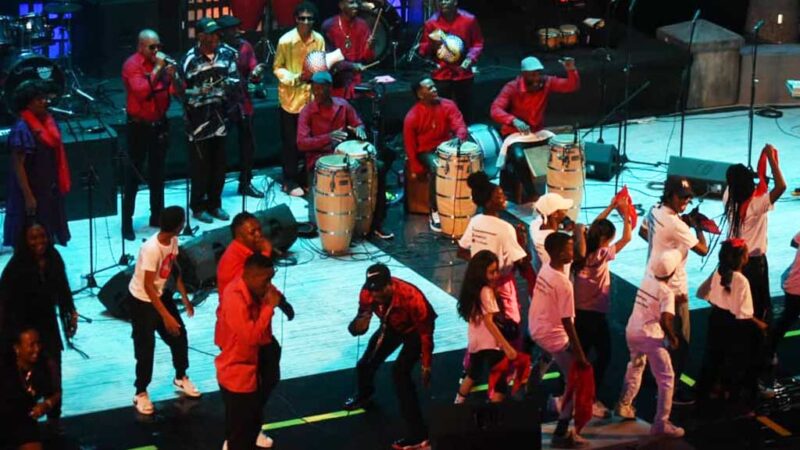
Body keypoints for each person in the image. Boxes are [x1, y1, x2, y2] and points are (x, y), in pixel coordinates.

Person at [343, 264, 436, 450]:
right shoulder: (367, 293)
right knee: (366, 363)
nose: (375, 294)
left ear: (389, 285)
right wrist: (359, 324)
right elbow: (362, 317)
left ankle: (419, 436)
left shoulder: (411, 297)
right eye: (372, 289)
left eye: (379, 289)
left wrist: (426, 364)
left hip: (415, 332)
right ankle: (364, 394)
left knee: (399, 375)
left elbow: (426, 334)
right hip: (391, 326)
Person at [0, 222, 77, 431]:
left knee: (54, 370)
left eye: (42, 236)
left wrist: (70, 312)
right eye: (33, 238)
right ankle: (20, 419)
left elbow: (63, 288)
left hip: (47, 323)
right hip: (22, 326)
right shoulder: (16, 266)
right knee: (22, 374)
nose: (39, 241)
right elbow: (4, 301)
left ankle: (54, 417)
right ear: (25, 240)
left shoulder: (54, 258)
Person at [639, 177, 708, 405]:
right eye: (682, 197)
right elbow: (702, 249)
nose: (686, 201)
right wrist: (697, 227)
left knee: (658, 337)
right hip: (675, 292)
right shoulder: (676, 224)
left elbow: (643, 232)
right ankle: (671, 388)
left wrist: (667, 243)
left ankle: (653, 378)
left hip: (652, 285)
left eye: (689, 197)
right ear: (670, 195)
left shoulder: (654, 210)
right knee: (680, 341)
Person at [128, 206, 200, 415]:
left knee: (179, 335)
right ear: (178, 225)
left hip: (160, 295)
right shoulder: (150, 249)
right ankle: (140, 392)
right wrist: (166, 316)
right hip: (142, 300)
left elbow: (173, 269)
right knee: (146, 347)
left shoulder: (173, 241)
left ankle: (180, 377)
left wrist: (185, 299)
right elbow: (148, 286)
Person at [458, 172, 536, 361]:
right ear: (489, 202)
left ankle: (470, 367)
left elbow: (461, 250)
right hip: (501, 283)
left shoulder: (475, 221)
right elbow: (523, 261)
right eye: (500, 196)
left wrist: (480, 269)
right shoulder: (505, 228)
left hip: (478, 283)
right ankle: (511, 365)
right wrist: (524, 242)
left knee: (479, 322)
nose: (505, 199)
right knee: (512, 323)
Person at [571, 196, 631, 417]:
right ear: (605, 239)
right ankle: (589, 398)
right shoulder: (603, 254)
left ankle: (571, 396)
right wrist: (625, 214)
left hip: (577, 312)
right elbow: (627, 237)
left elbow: (595, 226)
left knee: (580, 356)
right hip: (595, 314)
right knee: (604, 355)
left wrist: (610, 207)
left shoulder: (581, 250)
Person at [528, 232, 589, 448]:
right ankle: (561, 433)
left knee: (547, 356)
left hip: (536, 328)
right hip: (552, 335)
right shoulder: (564, 284)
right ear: (557, 252)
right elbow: (567, 323)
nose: (573, 253)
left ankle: (527, 392)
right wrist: (580, 355)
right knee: (575, 381)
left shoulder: (546, 267)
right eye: (569, 249)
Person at [216, 254, 282, 450]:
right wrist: (269, 307)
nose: (269, 285)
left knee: (251, 420)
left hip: (252, 366)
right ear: (251, 276)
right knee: (241, 431)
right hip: (238, 373)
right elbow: (250, 337)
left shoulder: (255, 287)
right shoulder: (234, 297)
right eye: (266, 280)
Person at [615, 250, 685, 438]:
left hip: (633, 331)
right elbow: (665, 319)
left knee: (636, 366)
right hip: (650, 337)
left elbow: (654, 302)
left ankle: (624, 404)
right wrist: (672, 337)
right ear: (672, 272)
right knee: (667, 379)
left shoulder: (648, 280)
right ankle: (661, 424)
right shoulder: (667, 292)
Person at [490, 56, 580, 199]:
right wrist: (513, 120)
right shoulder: (511, 87)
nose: (537, 78)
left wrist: (571, 70)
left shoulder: (547, 82)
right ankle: (532, 193)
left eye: (539, 73)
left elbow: (570, 86)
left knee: (560, 149)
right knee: (519, 157)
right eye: (533, 74)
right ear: (523, 74)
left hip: (537, 132)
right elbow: (495, 110)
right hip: (516, 134)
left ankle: (558, 187)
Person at [179, 17, 239, 224]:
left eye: (216, 34)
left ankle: (215, 204)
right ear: (200, 36)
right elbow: (180, 92)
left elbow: (234, 79)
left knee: (219, 165)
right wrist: (198, 91)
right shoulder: (189, 60)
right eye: (210, 34)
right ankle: (197, 206)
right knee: (200, 168)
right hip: (198, 122)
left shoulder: (227, 54)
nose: (215, 37)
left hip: (220, 118)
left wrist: (228, 86)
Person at [695, 239, 767, 412]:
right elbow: (743, 312)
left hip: (716, 318)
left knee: (713, 356)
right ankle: (731, 395)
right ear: (742, 258)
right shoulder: (741, 280)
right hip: (733, 324)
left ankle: (708, 390)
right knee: (735, 359)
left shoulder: (719, 272)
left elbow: (706, 295)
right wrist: (760, 324)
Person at [121, 29, 177, 240]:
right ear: (140, 47)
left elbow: (175, 93)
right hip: (138, 126)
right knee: (133, 175)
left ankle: (157, 216)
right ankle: (127, 223)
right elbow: (142, 91)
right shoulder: (132, 65)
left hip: (159, 124)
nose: (156, 51)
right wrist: (158, 68)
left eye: (158, 46)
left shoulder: (161, 65)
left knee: (158, 174)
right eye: (152, 47)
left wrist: (173, 78)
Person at [3, 80, 70, 248]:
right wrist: (28, 196)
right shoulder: (22, 129)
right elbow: (18, 167)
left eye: (45, 98)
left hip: (48, 190)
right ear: (27, 103)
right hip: (32, 191)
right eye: (39, 99)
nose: (44, 102)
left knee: (48, 239)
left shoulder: (48, 122)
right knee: (29, 241)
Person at [723, 145, 786, 326]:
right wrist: (770, 158)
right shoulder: (756, 205)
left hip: (733, 259)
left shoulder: (729, 196)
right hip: (753, 263)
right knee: (758, 307)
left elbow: (754, 185)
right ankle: (759, 344)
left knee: (737, 303)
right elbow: (781, 186)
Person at [273, 1, 326, 197]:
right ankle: (289, 180)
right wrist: (297, 77)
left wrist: (318, 74)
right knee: (291, 142)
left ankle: (306, 178)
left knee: (309, 141)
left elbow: (319, 64)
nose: (306, 22)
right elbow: (277, 67)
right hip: (290, 98)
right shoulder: (286, 41)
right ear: (296, 19)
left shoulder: (318, 39)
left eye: (309, 19)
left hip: (311, 98)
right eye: (302, 18)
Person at [403, 77, 468, 232]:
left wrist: (460, 137)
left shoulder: (448, 105)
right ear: (420, 94)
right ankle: (435, 211)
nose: (434, 89)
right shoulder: (412, 116)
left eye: (434, 86)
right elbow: (410, 146)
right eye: (429, 88)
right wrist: (416, 167)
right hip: (426, 152)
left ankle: (461, 202)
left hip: (446, 147)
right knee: (438, 168)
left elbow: (459, 125)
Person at [454, 250, 518, 403]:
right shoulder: (486, 292)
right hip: (491, 344)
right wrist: (507, 347)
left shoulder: (472, 290)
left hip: (476, 342)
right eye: (492, 272)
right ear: (481, 273)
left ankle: (458, 403)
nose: (496, 275)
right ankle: (493, 418)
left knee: (472, 374)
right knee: (500, 384)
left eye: (496, 270)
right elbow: (490, 322)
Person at [217, 15, 266, 199]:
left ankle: (245, 182)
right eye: (233, 30)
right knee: (218, 148)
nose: (238, 32)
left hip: (242, 103)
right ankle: (214, 188)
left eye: (238, 28)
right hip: (222, 105)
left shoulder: (245, 46)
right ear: (222, 33)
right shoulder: (218, 50)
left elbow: (253, 72)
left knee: (247, 145)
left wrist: (256, 73)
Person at [418, 0, 483, 122]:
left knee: (465, 110)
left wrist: (470, 59)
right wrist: (430, 45)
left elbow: (477, 44)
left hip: (463, 73)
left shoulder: (469, 20)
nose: (442, 3)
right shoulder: (431, 23)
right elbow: (423, 48)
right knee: (441, 110)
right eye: (440, 0)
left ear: (455, 2)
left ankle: (465, 136)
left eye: (446, 0)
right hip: (441, 74)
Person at [0, 328, 61, 450]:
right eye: (31, 345)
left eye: (38, 343)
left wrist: (46, 405)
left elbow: (56, 393)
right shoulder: (5, 368)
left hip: (24, 420)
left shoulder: (44, 366)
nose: (37, 349)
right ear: (17, 348)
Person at [322, 0, 375, 99]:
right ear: (341, 5)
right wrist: (350, 66)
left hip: (357, 79)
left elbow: (369, 59)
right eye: (351, 2)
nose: (355, 6)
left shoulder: (362, 25)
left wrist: (370, 47)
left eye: (356, 2)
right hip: (337, 79)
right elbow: (328, 59)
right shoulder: (329, 26)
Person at [768, 231, 800, 359]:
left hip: (791, 283)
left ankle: (768, 352)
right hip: (796, 287)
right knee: (786, 320)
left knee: (785, 320)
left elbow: (794, 241)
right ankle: (767, 353)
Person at [529, 193, 576, 274]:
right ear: (555, 214)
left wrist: (565, 221)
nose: (566, 211)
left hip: (540, 274)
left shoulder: (534, 225)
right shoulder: (557, 243)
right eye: (564, 209)